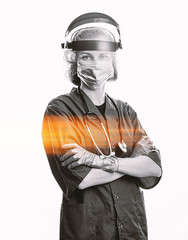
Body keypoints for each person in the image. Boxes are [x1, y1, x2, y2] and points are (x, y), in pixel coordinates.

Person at [42, 12, 162, 240]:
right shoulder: (59, 111)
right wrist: (132, 164)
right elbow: (84, 178)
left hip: (132, 229)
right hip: (89, 230)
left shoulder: (125, 111)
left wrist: (98, 161)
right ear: (74, 60)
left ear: (113, 61)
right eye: (86, 57)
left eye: (103, 56)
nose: (95, 64)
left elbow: (154, 169)